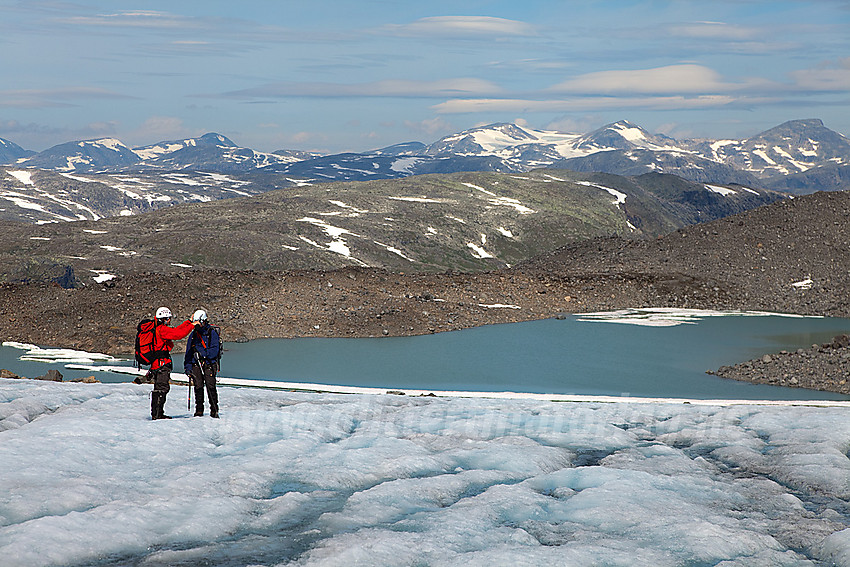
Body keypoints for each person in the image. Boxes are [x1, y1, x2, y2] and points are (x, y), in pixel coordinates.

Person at [149, 307, 197, 420]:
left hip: (156, 364)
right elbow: (178, 334)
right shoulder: (162, 330)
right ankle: (157, 414)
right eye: (169, 318)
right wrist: (192, 325)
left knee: (159, 387)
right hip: (161, 364)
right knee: (162, 388)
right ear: (165, 319)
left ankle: (157, 413)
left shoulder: (158, 329)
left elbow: (176, 330)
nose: (170, 320)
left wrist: (188, 322)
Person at [184, 309, 221, 418]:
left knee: (210, 386)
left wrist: (202, 354)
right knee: (198, 386)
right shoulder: (194, 334)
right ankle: (199, 410)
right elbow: (188, 352)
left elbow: (215, 350)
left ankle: (214, 410)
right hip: (196, 364)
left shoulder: (211, 333)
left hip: (209, 363)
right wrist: (188, 367)